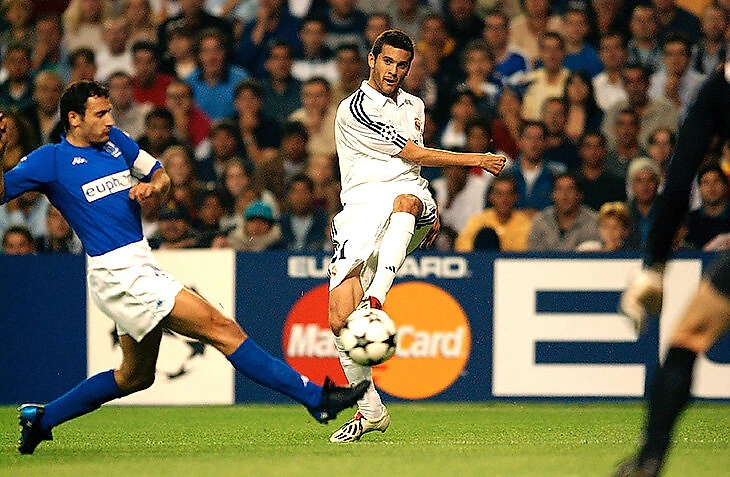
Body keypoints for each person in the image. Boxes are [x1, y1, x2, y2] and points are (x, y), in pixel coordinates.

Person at [2, 81, 369, 456]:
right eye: (100, 114)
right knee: (222, 328)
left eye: (110, 111)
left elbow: (160, 174)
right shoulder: (50, 160)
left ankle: (42, 418)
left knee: (134, 376)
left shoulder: (117, 143)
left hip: (138, 261)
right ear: (74, 119)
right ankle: (315, 398)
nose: (110, 120)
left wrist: (153, 188)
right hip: (116, 270)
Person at [327, 29, 505, 443]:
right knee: (338, 320)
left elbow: (412, 166)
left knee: (406, 200)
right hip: (361, 212)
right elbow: (412, 152)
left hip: (407, 201)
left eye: (402, 64)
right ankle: (371, 410)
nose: (394, 70)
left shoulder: (415, 106)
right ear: (372, 60)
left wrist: (430, 205)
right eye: (387, 61)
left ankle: (377, 301)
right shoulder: (354, 109)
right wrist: (478, 158)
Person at [615, 61, 730, 477]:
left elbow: (679, 182)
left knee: (688, 339)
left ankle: (650, 460)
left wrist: (655, 264)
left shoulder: (719, 87)